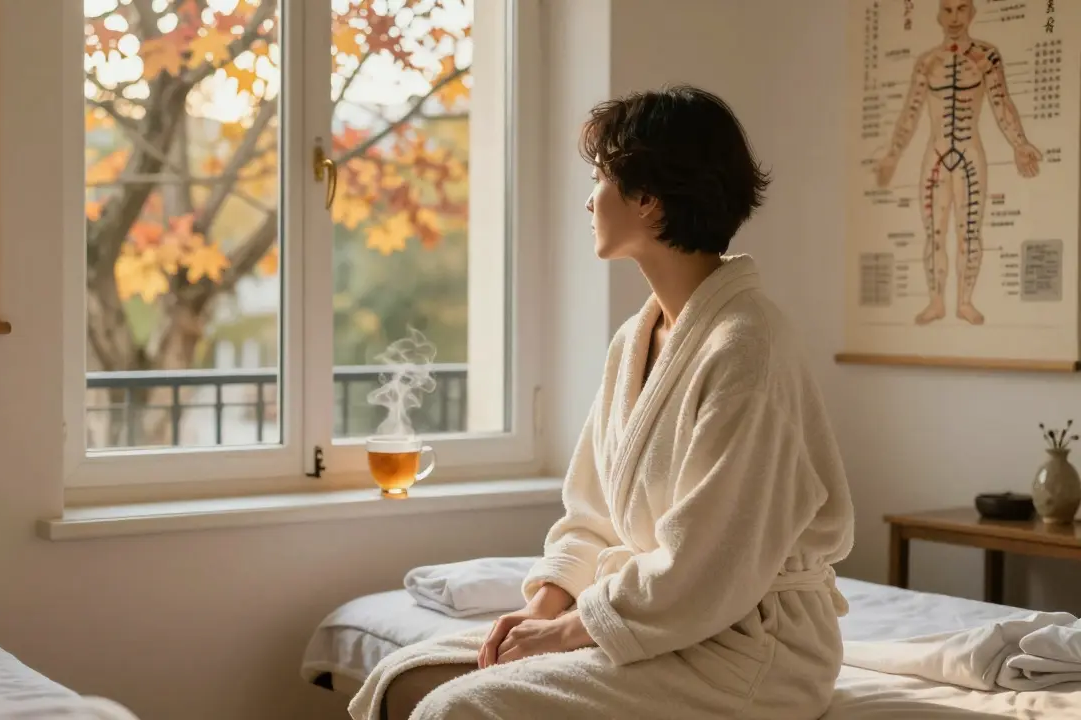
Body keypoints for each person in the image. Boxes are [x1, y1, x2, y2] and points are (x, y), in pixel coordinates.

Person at [348, 85, 855, 720]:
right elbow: (591, 512)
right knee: (404, 681)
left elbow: (711, 562)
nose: (589, 198)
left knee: (456, 711)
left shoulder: (747, 347)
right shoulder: (636, 338)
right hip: (658, 620)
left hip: (749, 646)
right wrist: (543, 607)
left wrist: (568, 631)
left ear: (648, 197)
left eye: (600, 177)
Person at [874, 0, 1041, 326]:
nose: (954, 17)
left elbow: (1001, 104)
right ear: (938, 15)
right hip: (935, 156)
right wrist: (893, 155)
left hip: (970, 154)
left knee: (969, 232)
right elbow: (910, 111)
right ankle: (936, 301)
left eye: (961, 9)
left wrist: (1020, 145)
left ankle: (964, 301)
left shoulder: (985, 57)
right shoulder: (928, 62)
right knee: (934, 233)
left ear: (972, 14)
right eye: (947, 10)